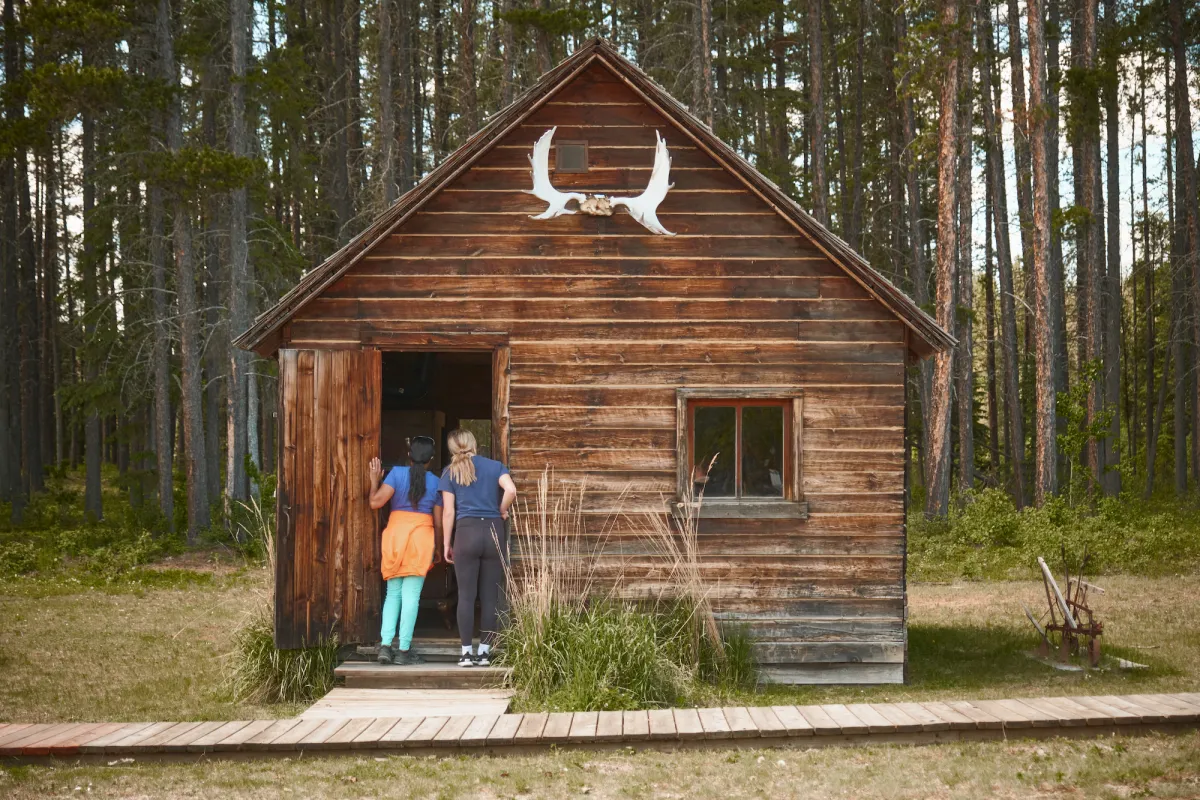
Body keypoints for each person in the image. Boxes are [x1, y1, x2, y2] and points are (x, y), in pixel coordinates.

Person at [439, 428, 517, 667]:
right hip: (494, 531)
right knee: (490, 597)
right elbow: (511, 490)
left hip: (466, 533)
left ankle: (465, 654)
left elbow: (449, 511)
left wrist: (446, 543)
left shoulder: (449, 472)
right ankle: (484, 653)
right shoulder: (495, 466)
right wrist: (501, 510)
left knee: (466, 595)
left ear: (452, 448)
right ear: (474, 443)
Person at [368, 436, 443, 666]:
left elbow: (375, 502)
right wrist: (439, 548)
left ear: (409, 456)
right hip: (422, 539)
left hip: (395, 536)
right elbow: (439, 522)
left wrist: (374, 481)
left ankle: (385, 645)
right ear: (431, 459)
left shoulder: (396, 475)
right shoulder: (436, 482)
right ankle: (403, 650)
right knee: (412, 597)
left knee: (393, 594)